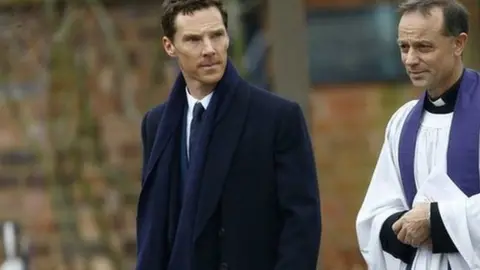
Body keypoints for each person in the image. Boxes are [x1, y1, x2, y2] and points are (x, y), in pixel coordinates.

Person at [135, 0, 322, 270]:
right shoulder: (155, 124)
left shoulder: (277, 118)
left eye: (217, 35)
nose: (209, 49)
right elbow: (155, 222)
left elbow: (301, 223)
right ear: (169, 46)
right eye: (194, 40)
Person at [356, 0, 480, 269]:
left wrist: (437, 221)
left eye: (424, 47)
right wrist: (399, 227)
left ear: (458, 44)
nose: (411, 59)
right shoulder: (403, 121)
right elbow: (374, 214)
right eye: (404, 47)